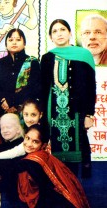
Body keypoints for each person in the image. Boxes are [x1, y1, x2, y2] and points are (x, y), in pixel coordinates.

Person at [0, 124, 90, 208]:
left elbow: (10, 167)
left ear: (43, 145)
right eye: (27, 138)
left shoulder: (36, 160)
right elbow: (3, 150)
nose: (29, 144)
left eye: (35, 141)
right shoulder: (37, 154)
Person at [40, 19, 96, 178]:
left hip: (77, 115)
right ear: (50, 37)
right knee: (56, 165)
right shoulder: (47, 58)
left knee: (77, 156)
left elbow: (91, 87)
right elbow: (43, 90)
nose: (59, 34)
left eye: (62, 29)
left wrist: (89, 115)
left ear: (70, 33)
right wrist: (44, 118)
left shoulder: (84, 55)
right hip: (54, 117)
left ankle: (75, 195)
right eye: (55, 31)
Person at [0, 28, 41, 116]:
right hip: (3, 110)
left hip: (26, 111)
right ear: (6, 44)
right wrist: (2, 100)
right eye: (11, 40)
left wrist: (11, 101)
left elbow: (33, 87)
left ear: (24, 44)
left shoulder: (32, 62)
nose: (14, 42)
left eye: (18, 40)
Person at [0, 0, 37, 68]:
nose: (2, 5)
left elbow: (32, 24)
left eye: (6, 2)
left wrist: (30, 5)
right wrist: (2, 30)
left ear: (14, 4)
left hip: (13, 54)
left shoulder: (18, 16)